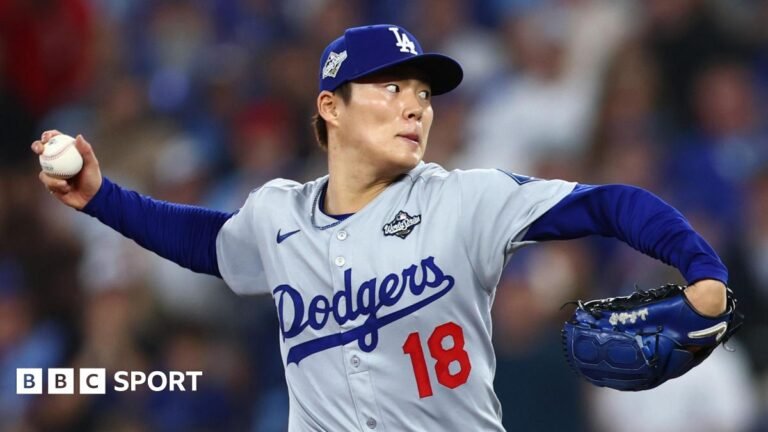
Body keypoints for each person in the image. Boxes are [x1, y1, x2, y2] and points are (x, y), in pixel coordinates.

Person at [33, 24, 729, 431]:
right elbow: (208, 244)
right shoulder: (277, 215)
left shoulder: (466, 200)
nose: (415, 106)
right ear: (331, 108)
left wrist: (702, 269)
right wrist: (100, 197)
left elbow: (609, 204)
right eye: (391, 87)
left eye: (422, 92)